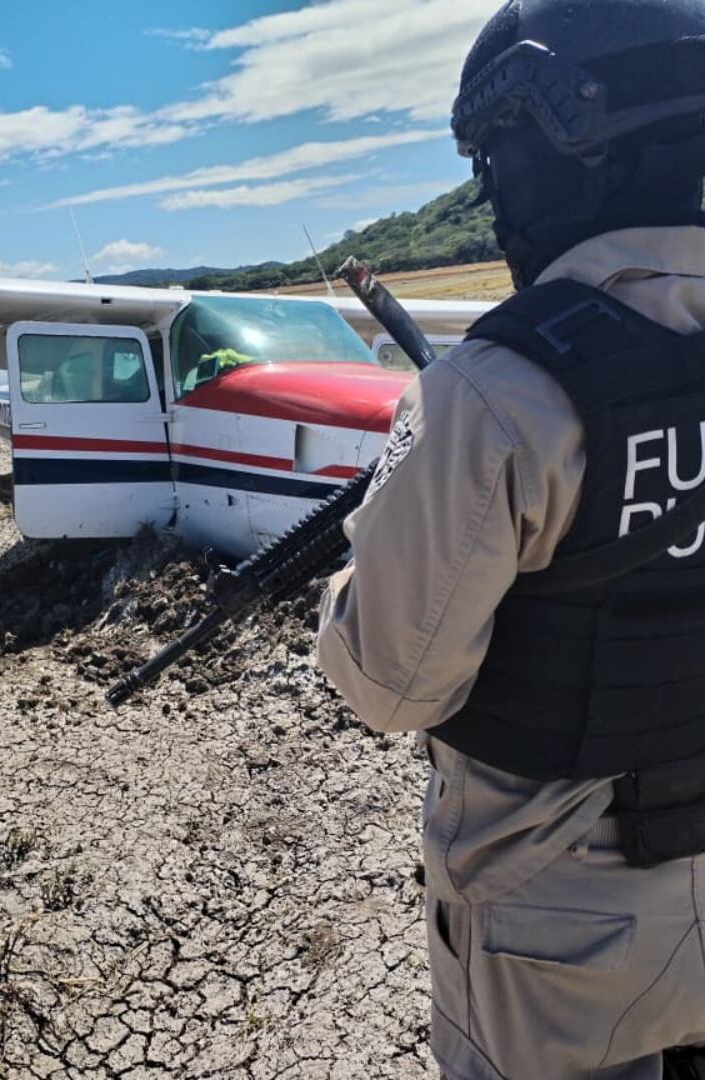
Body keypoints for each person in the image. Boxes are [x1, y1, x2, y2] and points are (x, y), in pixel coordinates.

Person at [315, 1, 705, 1075]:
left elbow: (389, 687)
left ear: (552, 150)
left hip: (561, 946)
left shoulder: (496, 396)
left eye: (495, 164)